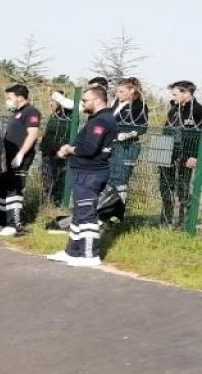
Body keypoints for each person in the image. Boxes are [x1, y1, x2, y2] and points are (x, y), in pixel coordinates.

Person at [48, 86, 118, 267]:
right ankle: (72, 252)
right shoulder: (98, 119)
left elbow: (89, 148)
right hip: (86, 172)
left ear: (96, 100)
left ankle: (90, 255)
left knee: (87, 214)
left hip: (91, 173)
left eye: (85, 100)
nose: (83, 104)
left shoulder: (101, 121)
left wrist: (69, 149)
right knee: (79, 214)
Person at [0, 85, 41, 236]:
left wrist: (21, 154)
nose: (7, 101)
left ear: (19, 97)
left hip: (19, 158)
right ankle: (0, 222)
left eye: (9, 98)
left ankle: (13, 224)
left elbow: (33, 134)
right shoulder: (15, 113)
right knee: (2, 188)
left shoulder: (31, 112)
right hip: (6, 157)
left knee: (14, 190)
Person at [160, 80, 202, 227]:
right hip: (168, 153)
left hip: (187, 155)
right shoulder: (173, 110)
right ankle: (165, 221)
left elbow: (199, 137)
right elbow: (166, 130)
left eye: (175, 94)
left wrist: (196, 156)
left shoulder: (198, 111)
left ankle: (185, 223)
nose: (173, 97)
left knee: (183, 189)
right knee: (165, 186)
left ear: (186, 93)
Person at [107, 77, 149, 212]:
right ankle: (106, 209)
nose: (118, 94)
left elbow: (142, 127)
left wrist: (130, 134)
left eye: (121, 91)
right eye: (117, 91)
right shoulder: (116, 104)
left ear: (132, 90)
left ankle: (116, 212)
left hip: (127, 146)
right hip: (112, 144)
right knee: (109, 178)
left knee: (120, 178)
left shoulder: (139, 106)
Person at [39, 95, 73, 208]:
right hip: (47, 152)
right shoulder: (54, 116)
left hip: (58, 153)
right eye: (51, 100)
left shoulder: (67, 116)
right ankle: (48, 204)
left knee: (58, 180)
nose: (50, 103)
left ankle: (56, 204)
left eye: (53, 101)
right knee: (47, 180)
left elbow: (62, 137)